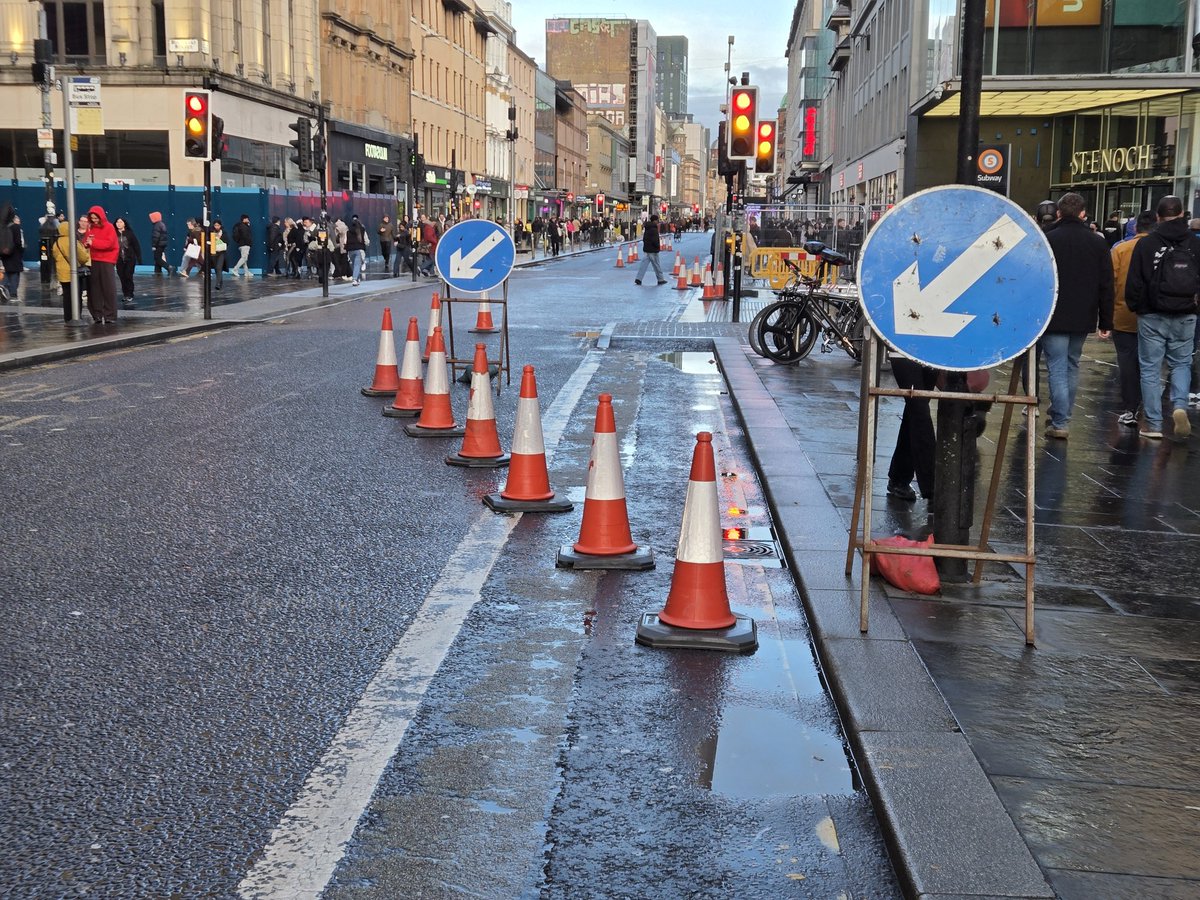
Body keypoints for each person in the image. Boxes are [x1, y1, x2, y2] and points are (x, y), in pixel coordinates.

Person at [1125, 195, 1200, 440]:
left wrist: (1137, 306)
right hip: (1186, 313)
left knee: (1150, 368)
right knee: (1181, 363)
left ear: (1157, 216)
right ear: (1182, 214)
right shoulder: (1194, 243)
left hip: (1152, 314)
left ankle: (1154, 424)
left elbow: (1135, 281)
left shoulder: (1147, 244)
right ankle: (1179, 405)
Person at [1040, 192, 1114, 439]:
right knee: (1072, 364)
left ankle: (1060, 421)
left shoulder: (1048, 240)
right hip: (1083, 315)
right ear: (1083, 214)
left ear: (1059, 213)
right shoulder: (1097, 242)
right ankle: (1063, 414)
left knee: (1057, 367)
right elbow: (1106, 284)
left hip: (1054, 314)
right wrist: (1106, 321)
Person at [1110, 210, 1156, 428]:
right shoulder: (1161, 248)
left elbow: (1111, 283)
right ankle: (1152, 410)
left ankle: (1130, 408)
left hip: (1124, 314)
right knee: (1151, 364)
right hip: (1156, 313)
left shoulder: (1120, 249)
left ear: (1135, 228)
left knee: (1127, 364)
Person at [886, 355, 938, 501]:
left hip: (933, 345)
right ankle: (932, 486)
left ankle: (899, 477)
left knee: (916, 409)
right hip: (904, 346)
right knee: (918, 409)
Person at [84, 205, 119, 325]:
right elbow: (87, 241)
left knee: (108, 288)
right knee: (94, 289)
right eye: (92, 218)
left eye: (96, 218)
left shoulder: (109, 227)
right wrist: (87, 244)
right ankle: (97, 314)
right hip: (94, 260)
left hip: (106, 261)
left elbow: (109, 244)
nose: (94, 220)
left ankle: (110, 315)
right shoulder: (90, 228)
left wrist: (93, 243)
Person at [51, 218, 89, 322]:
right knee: (76, 296)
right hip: (74, 273)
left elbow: (55, 255)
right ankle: (76, 316)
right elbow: (83, 257)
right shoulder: (72, 241)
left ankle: (67, 317)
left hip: (62, 274)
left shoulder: (56, 243)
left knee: (67, 296)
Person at [113, 217, 142, 306]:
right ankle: (125, 293)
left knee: (128, 275)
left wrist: (139, 257)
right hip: (119, 259)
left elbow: (136, 245)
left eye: (120, 222)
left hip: (130, 258)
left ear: (124, 223)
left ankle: (130, 294)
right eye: (117, 222)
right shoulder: (113, 234)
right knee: (122, 276)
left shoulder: (130, 234)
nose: (119, 223)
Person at [633, 213, 668, 286]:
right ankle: (660, 279)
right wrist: (657, 246)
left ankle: (638, 279)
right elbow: (655, 240)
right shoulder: (654, 229)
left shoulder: (647, 228)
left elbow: (644, 239)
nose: (658, 221)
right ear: (654, 221)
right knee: (657, 265)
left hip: (647, 249)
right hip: (653, 250)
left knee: (643, 265)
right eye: (657, 220)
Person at [0, 202, 23, 301]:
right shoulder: (15, 227)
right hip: (14, 253)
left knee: (8, 271)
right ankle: (13, 294)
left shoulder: (2, 226)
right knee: (14, 273)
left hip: (4, 252)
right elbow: (18, 242)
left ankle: (3, 286)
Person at [346, 214, 367, 285]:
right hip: (359, 248)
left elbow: (346, 241)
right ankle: (355, 279)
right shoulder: (362, 230)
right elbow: (365, 239)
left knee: (353, 265)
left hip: (350, 249)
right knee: (357, 265)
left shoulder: (348, 231)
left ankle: (357, 278)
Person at [208, 220, 228, 290]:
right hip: (213, 252)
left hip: (221, 252)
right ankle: (220, 281)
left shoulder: (223, 233)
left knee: (219, 267)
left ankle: (218, 284)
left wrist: (219, 238)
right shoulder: (211, 232)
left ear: (220, 225)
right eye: (215, 225)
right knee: (216, 268)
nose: (217, 227)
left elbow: (227, 242)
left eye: (218, 225)